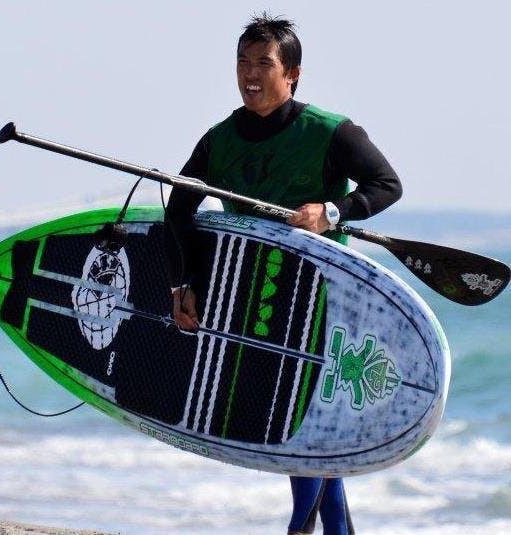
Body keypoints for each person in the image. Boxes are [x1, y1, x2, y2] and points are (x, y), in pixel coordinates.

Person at [163, 14, 402, 535]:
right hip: (253, 299)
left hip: (321, 299)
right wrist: (184, 285)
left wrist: (333, 212)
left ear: (292, 74)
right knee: (294, 418)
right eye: (242, 62)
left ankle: (301, 528)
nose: (250, 74)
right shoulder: (219, 140)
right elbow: (178, 211)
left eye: (264, 64)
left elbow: (387, 184)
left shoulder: (331, 132)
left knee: (303, 417)